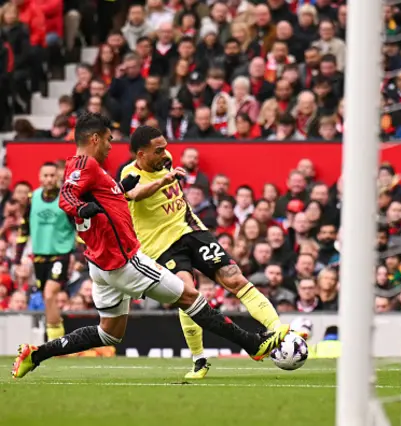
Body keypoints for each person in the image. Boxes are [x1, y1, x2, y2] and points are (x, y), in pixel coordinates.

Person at [11, 113, 289, 379]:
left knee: (109, 333)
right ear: (95, 138)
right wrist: (81, 209)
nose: (111, 146)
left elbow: (106, 199)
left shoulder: (84, 167)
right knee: (191, 297)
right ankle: (253, 344)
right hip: (124, 261)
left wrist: (121, 189)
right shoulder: (86, 165)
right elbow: (67, 197)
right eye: (108, 139)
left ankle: (35, 355)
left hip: (100, 264)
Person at [119, 125, 285, 378]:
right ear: (141, 154)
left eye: (166, 147)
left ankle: (276, 329)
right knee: (189, 295)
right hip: (162, 247)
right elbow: (133, 194)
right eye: (158, 150)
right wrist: (164, 180)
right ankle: (199, 359)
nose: (165, 154)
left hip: (192, 230)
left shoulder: (166, 161)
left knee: (234, 278)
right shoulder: (129, 174)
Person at [14, 162, 76, 343]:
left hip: (60, 255)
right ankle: (57, 337)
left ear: (57, 177)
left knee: (50, 294)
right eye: (45, 175)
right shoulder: (32, 199)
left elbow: (77, 226)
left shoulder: (66, 199)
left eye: (52, 175)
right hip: (39, 256)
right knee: (47, 298)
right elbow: (23, 229)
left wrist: (79, 254)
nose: (49, 179)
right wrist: (17, 258)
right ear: (39, 177)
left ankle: (56, 341)